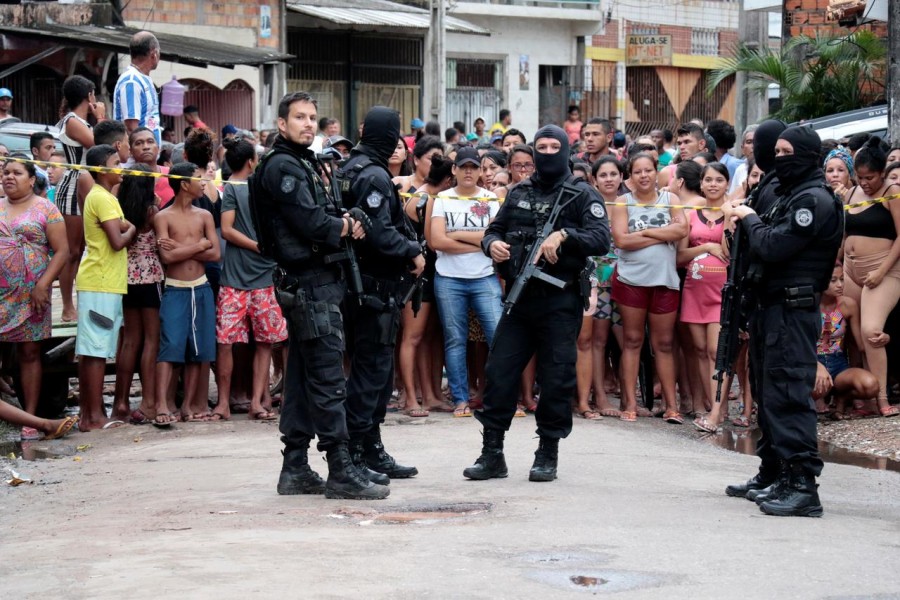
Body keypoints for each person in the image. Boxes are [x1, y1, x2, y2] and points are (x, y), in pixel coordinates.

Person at [250, 91, 384, 499]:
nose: (308, 124)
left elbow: (323, 212)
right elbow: (310, 221)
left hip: (317, 278)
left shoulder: (303, 161)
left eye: (312, 117)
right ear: (282, 124)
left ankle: (295, 466)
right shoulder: (283, 166)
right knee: (327, 377)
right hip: (307, 281)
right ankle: (340, 468)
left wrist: (345, 218)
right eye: (300, 118)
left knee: (303, 377)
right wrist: (345, 227)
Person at [464, 125, 610, 483]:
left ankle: (548, 452)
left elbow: (601, 238)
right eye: (540, 146)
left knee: (557, 377)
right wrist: (491, 246)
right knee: (499, 373)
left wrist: (566, 234)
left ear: (564, 149)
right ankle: (492, 453)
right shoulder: (519, 193)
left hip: (560, 299)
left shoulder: (581, 194)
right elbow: (494, 230)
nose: (546, 152)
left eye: (553, 146)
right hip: (519, 298)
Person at [722, 125, 844, 517]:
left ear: (808, 155)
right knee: (769, 393)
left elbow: (774, 246)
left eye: (787, 151)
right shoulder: (787, 192)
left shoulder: (814, 200)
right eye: (777, 150)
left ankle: (803, 486)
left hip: (793, 310)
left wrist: (750, 218)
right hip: (769, 308)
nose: (779, 158)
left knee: (790, 396)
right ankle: (775, 472)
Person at [342, 105, 425, 482]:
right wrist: (412, 250)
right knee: (371, 371)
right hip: (373, 286)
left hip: (360, 284)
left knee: (373, 369)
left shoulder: (349, 167)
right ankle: (358, 452)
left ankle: (370, 448)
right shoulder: (372, 175)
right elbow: (376, 232)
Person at [212, 138, 287, 422]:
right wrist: (259, 246)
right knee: (254, 343)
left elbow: (229, 231)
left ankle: (242, 402)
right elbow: (228, 231)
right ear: (251, 162)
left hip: (253, 277)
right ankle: (240, 402)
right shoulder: (236, 188)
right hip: (244, 277)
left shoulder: (244, 188)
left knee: (236, 343)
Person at [610, 153, 688, 424]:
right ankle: (630, 403)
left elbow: (681, 230)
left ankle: (671, 406)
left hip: (665, 280)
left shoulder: (672, 200)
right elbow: (620, 240)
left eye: (648, 170)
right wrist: (661, 232)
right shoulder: (623, 202)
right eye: (637, 171)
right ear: (630, 177)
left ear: (657, 172)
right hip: (631, 280)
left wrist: (643, 234)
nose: (644, 175)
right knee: (632, 341)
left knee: (664, 343)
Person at [430, 147, 502, 417]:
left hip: (484, 278)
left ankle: (500, 397)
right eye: (464, 167)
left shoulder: (490, 198)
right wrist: (480, 244)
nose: (469, 171)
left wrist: (457, 234)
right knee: (455, 341)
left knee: (498, 338)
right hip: (449, 280)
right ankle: (460, 399)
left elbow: (495, 236)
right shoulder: (443, 199)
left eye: (474, 167)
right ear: (454, 170)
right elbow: (437, 241)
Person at [0, 158, 69, 439]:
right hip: (1, 294)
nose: (9, 177)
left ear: (31, 180)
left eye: (17, 173)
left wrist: (43, 283)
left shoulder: (46, 209)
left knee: (29, 353)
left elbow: (62, 251)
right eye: (5, 172)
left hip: (32, 294)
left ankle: (30, 418)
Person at [152, 162, 219, 426]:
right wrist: (198, 245)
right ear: (184, 184)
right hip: (176, 289)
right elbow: (166, 257)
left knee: (198, 350)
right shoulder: (163, 217)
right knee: (170, 347)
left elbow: (215, 254)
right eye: (198, 178)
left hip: (201, 288)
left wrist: (182, 246)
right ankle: (161, 404)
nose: (203, 183)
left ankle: (189, 406)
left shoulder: (204, 215)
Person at [75, 145, 136, 431]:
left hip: (102, 281)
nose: (121, 168)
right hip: (100, 282)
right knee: (97, 351)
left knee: (92, 350)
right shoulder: (103, 198)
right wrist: (133, 229)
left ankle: (90, 413)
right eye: (115, 163)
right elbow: (118, 240)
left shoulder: (104, 198)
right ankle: (94, 416)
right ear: (102, 169)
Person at [841, 137, 900, 418]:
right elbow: (844, 233)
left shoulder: (893, 192)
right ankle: (858, 396)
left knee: (871, 331)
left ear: (882, 173)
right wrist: (838, 264)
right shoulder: (852, 193)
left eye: (871, 177)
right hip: (851, 269)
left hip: (885, 269)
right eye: (860, 177)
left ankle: (882, 397)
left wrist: (881, 270)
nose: (865, 183)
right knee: (851, 334)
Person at [677, 163, 731, 432]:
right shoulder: (690, 215)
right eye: (708, 180)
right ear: (701, 183)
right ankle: (711, 405)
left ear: (727, 184)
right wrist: (708, 246)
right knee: (699, 350)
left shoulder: (732, 212)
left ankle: (718, 410)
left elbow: (734, 252)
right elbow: (680, 255)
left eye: (718, 180)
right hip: (694, 289)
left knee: (716, 351)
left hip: (722, 292)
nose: (712, 185)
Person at [399, 156, 454, 417]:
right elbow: (433, 242)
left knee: (430, 337)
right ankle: (411, 397)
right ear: (446, 181)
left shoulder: (427, 195)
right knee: (413, 337)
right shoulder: (425, 200)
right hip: (415, 276)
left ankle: (430, 394)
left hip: (432, 273)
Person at [112, 164, 164, 425]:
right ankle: (149, 401)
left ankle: (120, 401)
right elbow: (160, 244)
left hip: (127, 277)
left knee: (130, 340)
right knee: (151, 341)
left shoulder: (119, 208)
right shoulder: (151, 212)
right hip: (150, 277)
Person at [56, 75, 103, 323]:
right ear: (89, 96)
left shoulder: (82, 121)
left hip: (90, 187)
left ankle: (84, 301)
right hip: (74, 186)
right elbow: (100, 147)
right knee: (72, 250)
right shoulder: (73, 121)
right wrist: (102, 118)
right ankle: (66, 306)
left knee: (86, 248)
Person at [814, 263, 880, 419]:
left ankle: (841, 400)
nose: (840, 285)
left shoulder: (848, 305)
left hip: (839, 366)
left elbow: (861, 344)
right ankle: (812, 404)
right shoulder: (809, 306)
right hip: (813, 364)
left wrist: (881, 338)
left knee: (871, 386)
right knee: (814, 388)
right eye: (833, 280)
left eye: (842, 279)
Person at [588, 156, 626, 417]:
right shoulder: (590, 206)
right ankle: (600, 397)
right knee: (598, 341)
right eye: (603, 175)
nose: (609, 179)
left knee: (629, 341)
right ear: (594, 180)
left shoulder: (629, 203)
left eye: (614, 174)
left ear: (622, 177)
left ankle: (628, 399)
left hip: (628, 279)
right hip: (598, 282)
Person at [113, 31, 161, 144]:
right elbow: (131, 127)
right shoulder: (132, 81)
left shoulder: (142, 78)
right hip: (136, 159)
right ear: (154, 54)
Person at [129, 127, 174, 208]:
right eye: (139, 143)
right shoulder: (124, 179)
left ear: (158, 148)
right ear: (130, 151)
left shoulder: (172, 174)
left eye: (150, 142)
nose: (146, 147)